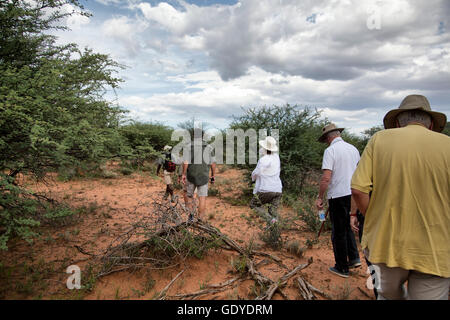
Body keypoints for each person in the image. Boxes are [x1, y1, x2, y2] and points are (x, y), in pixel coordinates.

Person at [351, 94, 449, 300]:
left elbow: (358, 190)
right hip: (437, 248)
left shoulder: (379, 140)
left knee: (387, 295)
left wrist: (376, 217)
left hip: (386, 244)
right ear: (431, 124)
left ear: (396, 122)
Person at [316, 123, 361, 278]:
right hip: (354, 194)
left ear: (329, 138)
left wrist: (320, 197)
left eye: (326, 140)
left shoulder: (330, 151)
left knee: (338, 231)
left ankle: (341, 267)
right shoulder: (353, 149)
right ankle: (354, 258)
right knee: (349, 225)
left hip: (338, 195)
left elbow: (326, 177)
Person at [181, 131, 216, 222]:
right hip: (204, 176)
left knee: (189, 196)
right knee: (202, 197)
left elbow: (186, 162)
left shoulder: (188, 147)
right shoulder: (209, 147)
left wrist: (183, 174)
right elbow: (212, 163)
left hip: (191, 176)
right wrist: (213, 175)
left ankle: (191, 216)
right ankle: (200, 220)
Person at [250, 136, 283, 226]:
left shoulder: (263, 159)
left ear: (264, 148)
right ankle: (275, 228)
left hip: (266, 189)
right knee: (273, 210)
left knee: (254, 204)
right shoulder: (276, 157)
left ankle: (270, 220)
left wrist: (253, 177)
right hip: (278, 189)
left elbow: (256, 173)